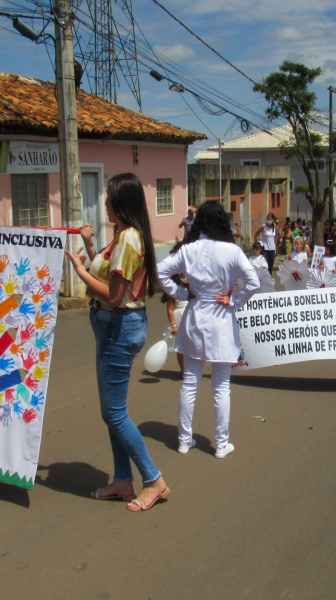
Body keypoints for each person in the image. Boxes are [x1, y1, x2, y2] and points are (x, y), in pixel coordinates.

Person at [65, 172, 169, 512]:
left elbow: (113, 295)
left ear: (122, 202)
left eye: (109, 199)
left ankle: (153, 480)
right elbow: (108, 272)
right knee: (112, 412)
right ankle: (123, 480)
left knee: (114, 413)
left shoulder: (129, 239)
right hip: (112, 325)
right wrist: (88, 254)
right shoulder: (122, 236)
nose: (104, 204)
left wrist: (79, 273)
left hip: (118, 325)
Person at [158, 201, 260, 459]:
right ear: (222, 222)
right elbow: (254, 282)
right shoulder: (232, 251)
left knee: (190, 382)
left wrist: (181, 292)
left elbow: (160, 271)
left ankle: (183, 440)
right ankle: (221, 444)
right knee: (221, 385)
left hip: (194, 316)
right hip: (221, 319)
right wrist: (235, 299)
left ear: (200, 222)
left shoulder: (188, 249)